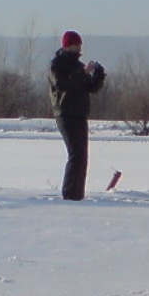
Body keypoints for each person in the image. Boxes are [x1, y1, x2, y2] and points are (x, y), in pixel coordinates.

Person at [49, 30, 105, 200]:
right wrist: (83, 73)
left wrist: (98, 76)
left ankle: (78, 194)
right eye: (76, 45)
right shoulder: (57, 65)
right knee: (76, 155)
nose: (79, 48)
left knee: (82, 157)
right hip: (65, 114)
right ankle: (70, 195)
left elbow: (90, 88)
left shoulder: (79, 66)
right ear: (67, 46)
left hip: (80, 114)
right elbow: (62, 85)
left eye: (80, 45)